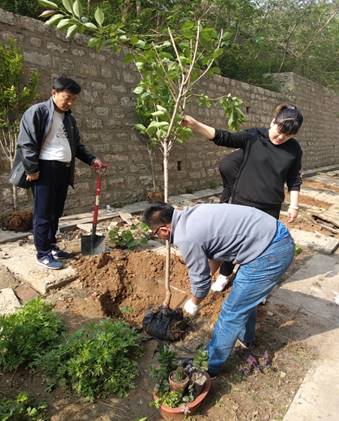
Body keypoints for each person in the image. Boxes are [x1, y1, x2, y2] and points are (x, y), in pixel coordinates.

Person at [143, 202, 295, 376]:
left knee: (231, 312)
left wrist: (194, 301)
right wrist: (204, 278)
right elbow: (215, 251)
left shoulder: (186, 237)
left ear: (163, 230)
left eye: (155, 234)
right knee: (244, 299)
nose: (158, 237)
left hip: (270, 251)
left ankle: (208, 366)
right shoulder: (192, 214)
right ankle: (246, 339)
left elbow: (201, 284)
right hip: (272, 238)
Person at [182, 104, 303, 291]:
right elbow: (224, 137)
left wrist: (294, 206)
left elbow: (294, 179)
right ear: (273, 122)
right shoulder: (254, 137)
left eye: (286, 136)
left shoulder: (294, 149)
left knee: (260, 248)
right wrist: (196, 125)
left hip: (269, 208)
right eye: (278, 132)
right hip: (242, 202)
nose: (280, 138)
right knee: (231, 241)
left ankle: (254, 286)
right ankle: (224, 275)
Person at [10, 76, 107, 270]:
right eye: (67, 97)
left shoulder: (69, 118)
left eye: (74, 99)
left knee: (56, 212)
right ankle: (42, 252)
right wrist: (33, 170)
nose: (70, 102)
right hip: (44, 170)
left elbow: (77, 146)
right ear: (54, 93)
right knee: (43, 213)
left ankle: (52, 246)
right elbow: (26, 143)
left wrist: (92, 159)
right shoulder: (37, 112)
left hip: (63, 170)